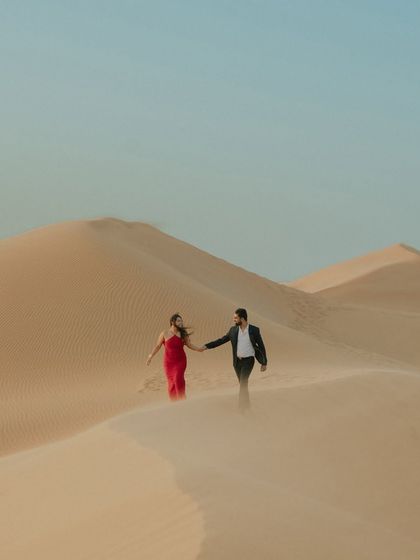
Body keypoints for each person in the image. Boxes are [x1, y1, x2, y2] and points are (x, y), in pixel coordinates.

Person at [203, 308, 267, 410]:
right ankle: (247, 406)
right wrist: (207, 346)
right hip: (237, 363)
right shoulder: (233, 330)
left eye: (236, 318)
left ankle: (241, 409)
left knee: (243, 383)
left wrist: (264, 362)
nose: (234, 320)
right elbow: (221, 340)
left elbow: (261, 346)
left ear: (242, 318)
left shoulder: (254, 330)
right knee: (243, 385)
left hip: (248, 361)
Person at [146, 313, 203, 400]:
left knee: (177, 379)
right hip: (168, 363)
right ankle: (174, 403)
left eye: (181, 321)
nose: (181, 322)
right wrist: (150, 356)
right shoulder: (164, 333)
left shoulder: (183, 334)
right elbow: (158, 346)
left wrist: (198, 349)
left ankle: (182, 400)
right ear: (173, 322)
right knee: (171, 382)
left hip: (180, 361)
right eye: (179, 321)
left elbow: (189, 344)